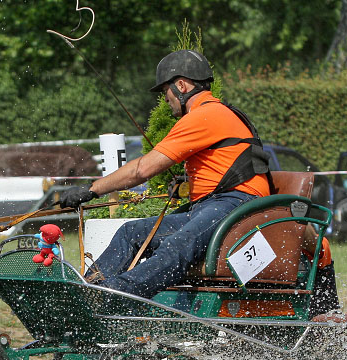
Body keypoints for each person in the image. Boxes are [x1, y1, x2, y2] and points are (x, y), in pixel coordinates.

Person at [59, 49, 271, 299]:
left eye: (165, 92)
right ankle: (86, 292)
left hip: (238, 207)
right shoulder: (212, 114)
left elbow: (142, 170)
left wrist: (91, 190)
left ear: (181, 85)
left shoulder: (206, 115)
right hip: (215, 205)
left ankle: (113, 296)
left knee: (178, 246)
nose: (165, 99)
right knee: (131, 233)